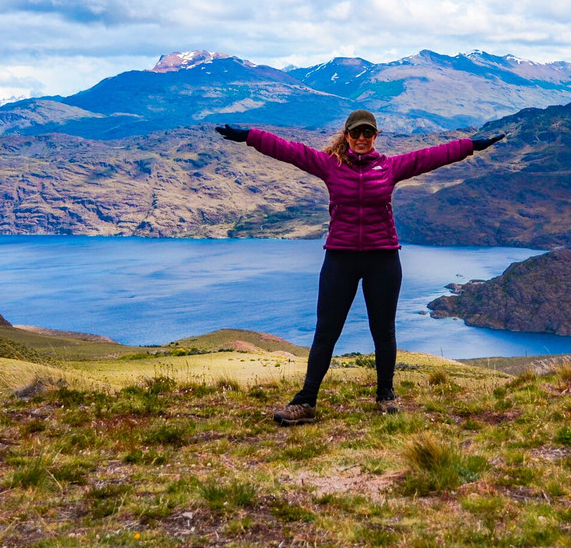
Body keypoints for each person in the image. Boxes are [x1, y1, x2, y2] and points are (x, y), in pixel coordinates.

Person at [215, 109, 504, 425]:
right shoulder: (330, 165)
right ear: (347, 135)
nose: (362, 138)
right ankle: (307, 401)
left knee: (384, 331)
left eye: (368, 133)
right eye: (356, 133)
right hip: (341, 257)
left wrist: (472, 145)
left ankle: (385, 396)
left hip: (383, 258)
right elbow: (289, 150)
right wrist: (249, 136)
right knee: (326, 332)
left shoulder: (390, 167)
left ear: (375, 136)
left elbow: (431, 157)